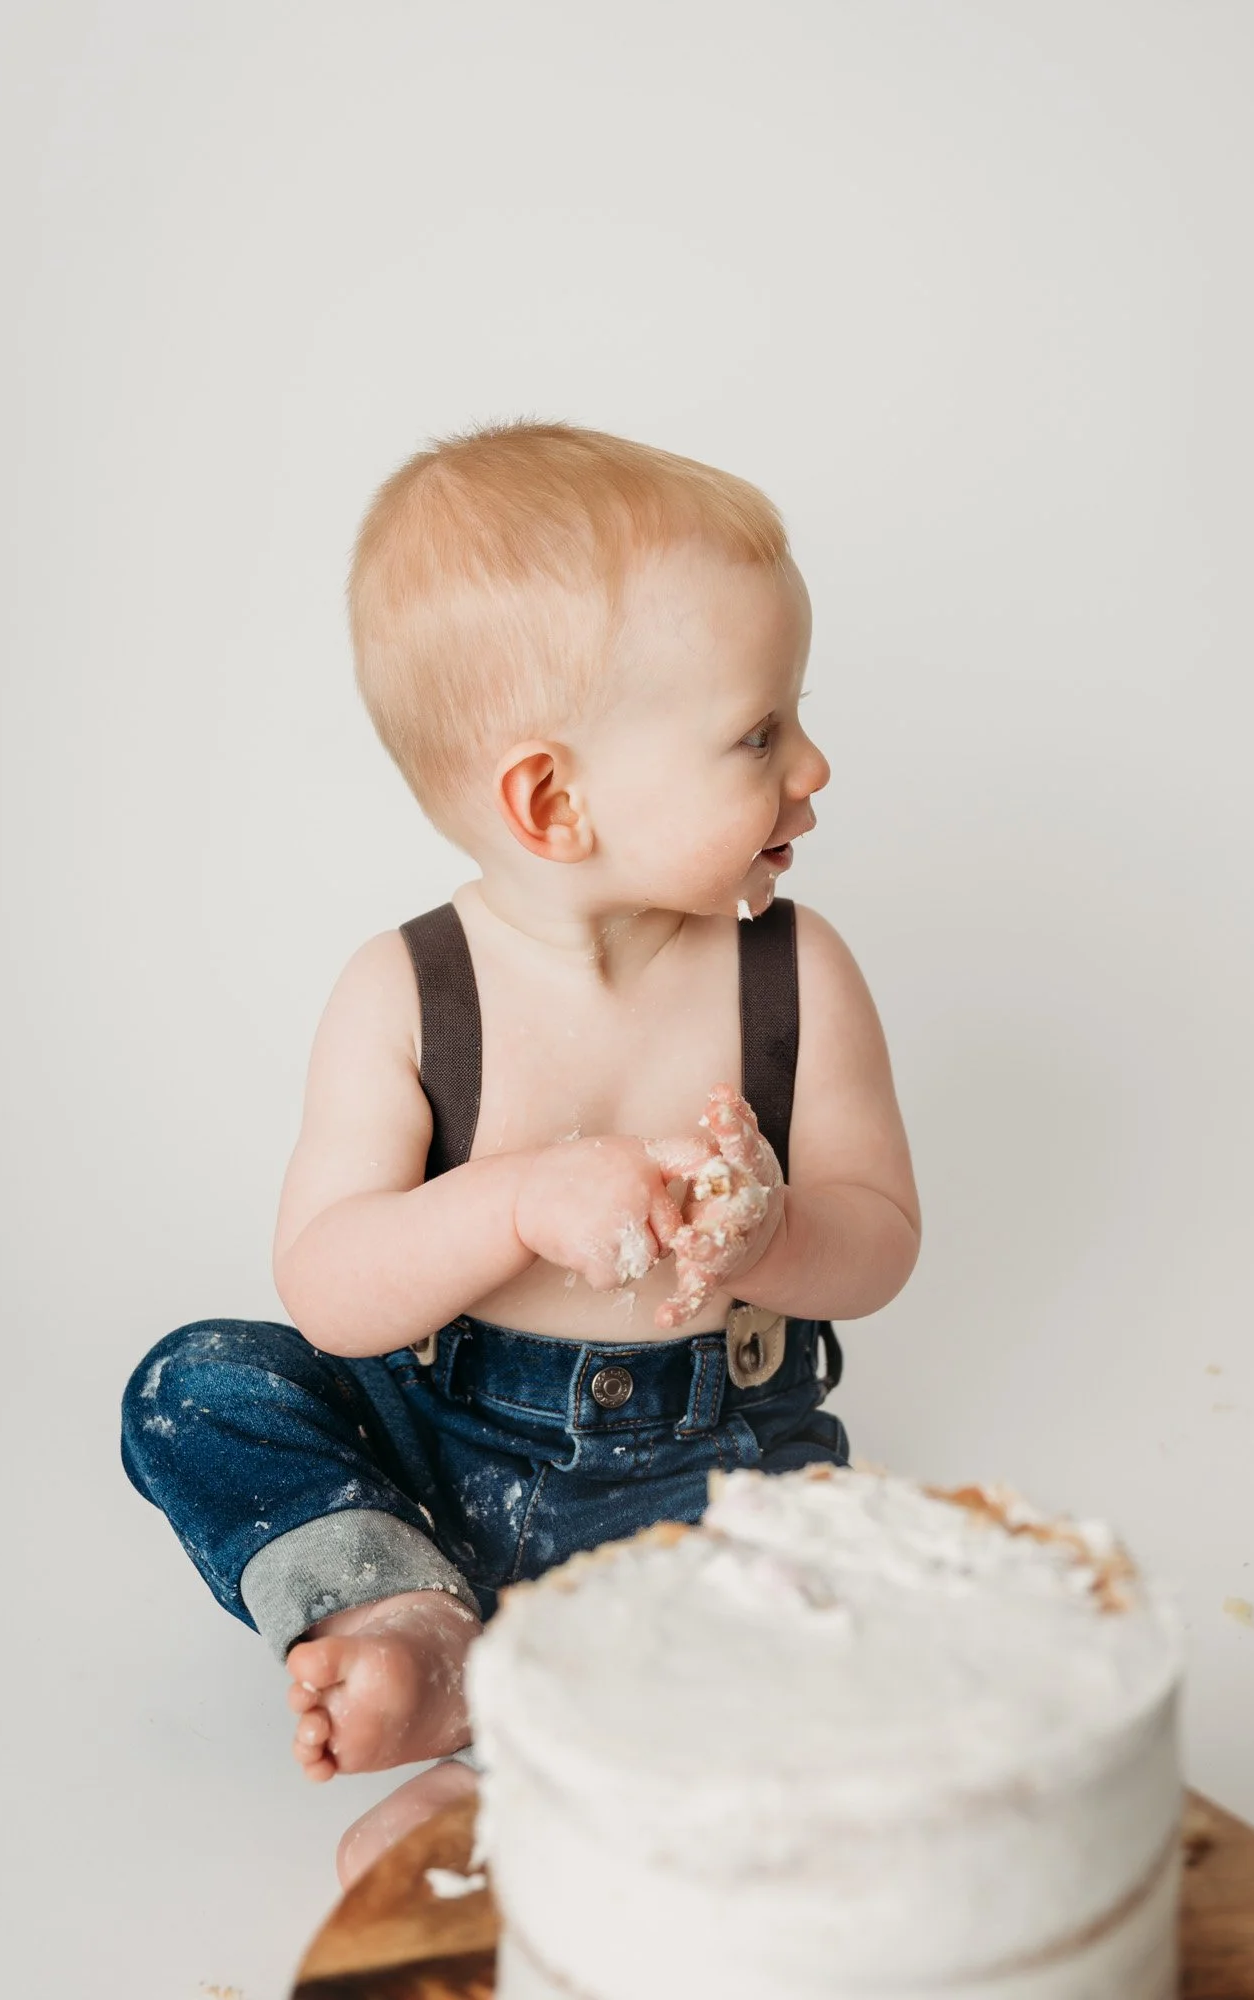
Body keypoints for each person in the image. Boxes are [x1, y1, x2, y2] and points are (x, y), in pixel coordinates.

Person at [121, 421, 921, 1884]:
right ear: (553, 801)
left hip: (710, 1470)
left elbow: (877, 1241)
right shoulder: (407, 992)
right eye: (757, 732)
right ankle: (398, 1605)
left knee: (832, 1603)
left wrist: (770, 1239)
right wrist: (514, 1201)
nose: (812, 763)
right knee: (197, 1386)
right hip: (447, 1445)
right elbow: (335, 1292)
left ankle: (505, 1755)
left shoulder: (793, 975)